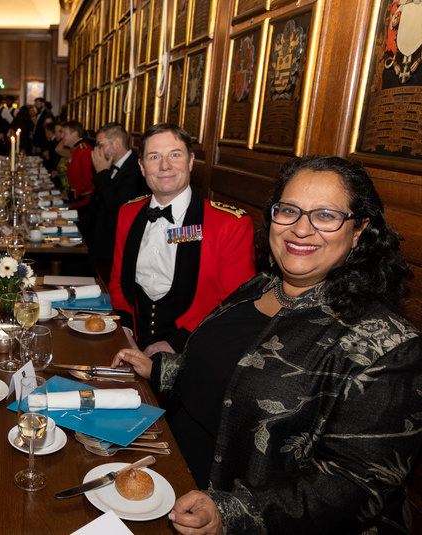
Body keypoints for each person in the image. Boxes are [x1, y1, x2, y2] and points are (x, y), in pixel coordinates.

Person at [113, 155, 422, 534]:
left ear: (358, 230)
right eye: (289, 211)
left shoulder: (389, 345)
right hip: (167, 476)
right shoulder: (259, 286)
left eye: (325, 215)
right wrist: (159, 369)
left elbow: (354, 483)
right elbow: (229, 371)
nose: (301, 229)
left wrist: (231, 513)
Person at [109, 123, 255, 355]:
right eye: (154, 156)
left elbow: (233, 304)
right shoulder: (128, 213)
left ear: (190, 161)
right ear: (142, 166)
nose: (165, 165)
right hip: (132, 345)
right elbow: (118, 282)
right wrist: (124, 328)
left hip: (196, 351)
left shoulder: (230, 224)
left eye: (174, 155)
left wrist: (178, 343)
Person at [90, 122, 150, 264]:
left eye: (100, 144)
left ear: (116, 142)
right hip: (101, 241)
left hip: (116, 246)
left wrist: (103, 173)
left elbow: (114, 203)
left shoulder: (135, 168)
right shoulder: (110, 165)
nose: (97, 149)